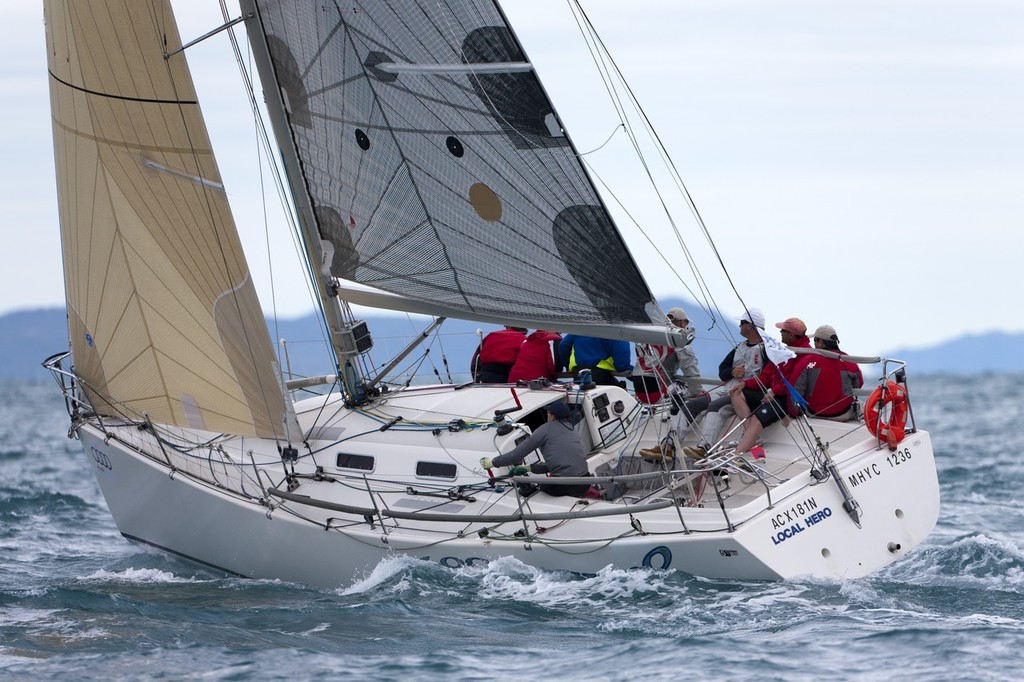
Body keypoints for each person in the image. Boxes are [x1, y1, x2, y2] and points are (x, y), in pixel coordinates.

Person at [680, 307, 768, 461]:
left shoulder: (766, 349)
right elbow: (722, 370)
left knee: (716, 407)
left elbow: (769, 377)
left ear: (750, 326)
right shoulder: (739, 347)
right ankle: (669, 446)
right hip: (728, 390)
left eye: (742, 323)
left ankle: (705, 448)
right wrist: (732, 372)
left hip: (745, 394)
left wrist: (747, 383)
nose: (739, 326)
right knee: (691, 405)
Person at [726, 317, 812, 457]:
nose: (780, 333)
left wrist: (775, 391)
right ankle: (751, 438)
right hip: (772, 393)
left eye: (783, 330)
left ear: (791, 334)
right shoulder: (783, 350)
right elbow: (766, 376)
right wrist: (745, 384)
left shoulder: (805, 355)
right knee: (736, 393)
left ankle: (737, 454)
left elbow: (796, 384)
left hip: (786, 399)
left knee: (756, 419)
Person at [479, 401, 591, 497]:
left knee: (534, 489)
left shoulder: (545, 429)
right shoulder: (572, 430)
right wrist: (529, 468)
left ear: (552, 416)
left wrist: (492, 463)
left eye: (547, 413)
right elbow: (561, 464)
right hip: (585, 482)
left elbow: (514, 457)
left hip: (563, 487)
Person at [788, 324, 864, 421]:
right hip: (842, 414)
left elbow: (796, 388)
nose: (814, 344)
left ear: (821, 342)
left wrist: (794, 413)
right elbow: (859, 384)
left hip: (813, 413)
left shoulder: (808, 360)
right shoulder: (849, 361)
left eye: (815, 340)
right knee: (861, 405)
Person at [630, 307, 701, 404]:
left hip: (638, 388)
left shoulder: (652, 334)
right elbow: (690, 368)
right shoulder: (679, 340)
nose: (686, 325)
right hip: (657, 391)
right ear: (681, 323)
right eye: (686, 322)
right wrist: (697, 392)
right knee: (691, 393)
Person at [558, 334, 633, 387]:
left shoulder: (580, 327)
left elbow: (563, 346)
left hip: (578, 373)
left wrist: (568, 366)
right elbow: (622, 365)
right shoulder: (617, 331)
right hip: (602, 375)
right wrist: (632, 372)